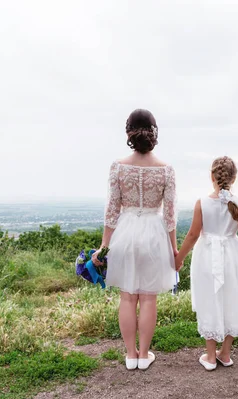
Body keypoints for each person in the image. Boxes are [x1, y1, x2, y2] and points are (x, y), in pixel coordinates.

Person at [92, 109, 178, 371]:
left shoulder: (118, 167)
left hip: (126, 232)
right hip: (154, 233)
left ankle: (131, 355)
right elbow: (170, 215)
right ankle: (144, 354)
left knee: (128, 297)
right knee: (149, 297)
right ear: (154, 132)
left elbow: (112, 210)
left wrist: (104, 247)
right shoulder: (166, 170)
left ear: (129, 132)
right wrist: (174, 250)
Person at [175, 156, 238, 371]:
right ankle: (225, 354)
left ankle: (210, 356)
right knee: (231, 300)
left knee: (210, 300)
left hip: (207, 255)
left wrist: (178, 258)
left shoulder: (202, 202)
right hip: (232, 256)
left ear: (212, 176)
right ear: (234, 178)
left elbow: (192, 235)